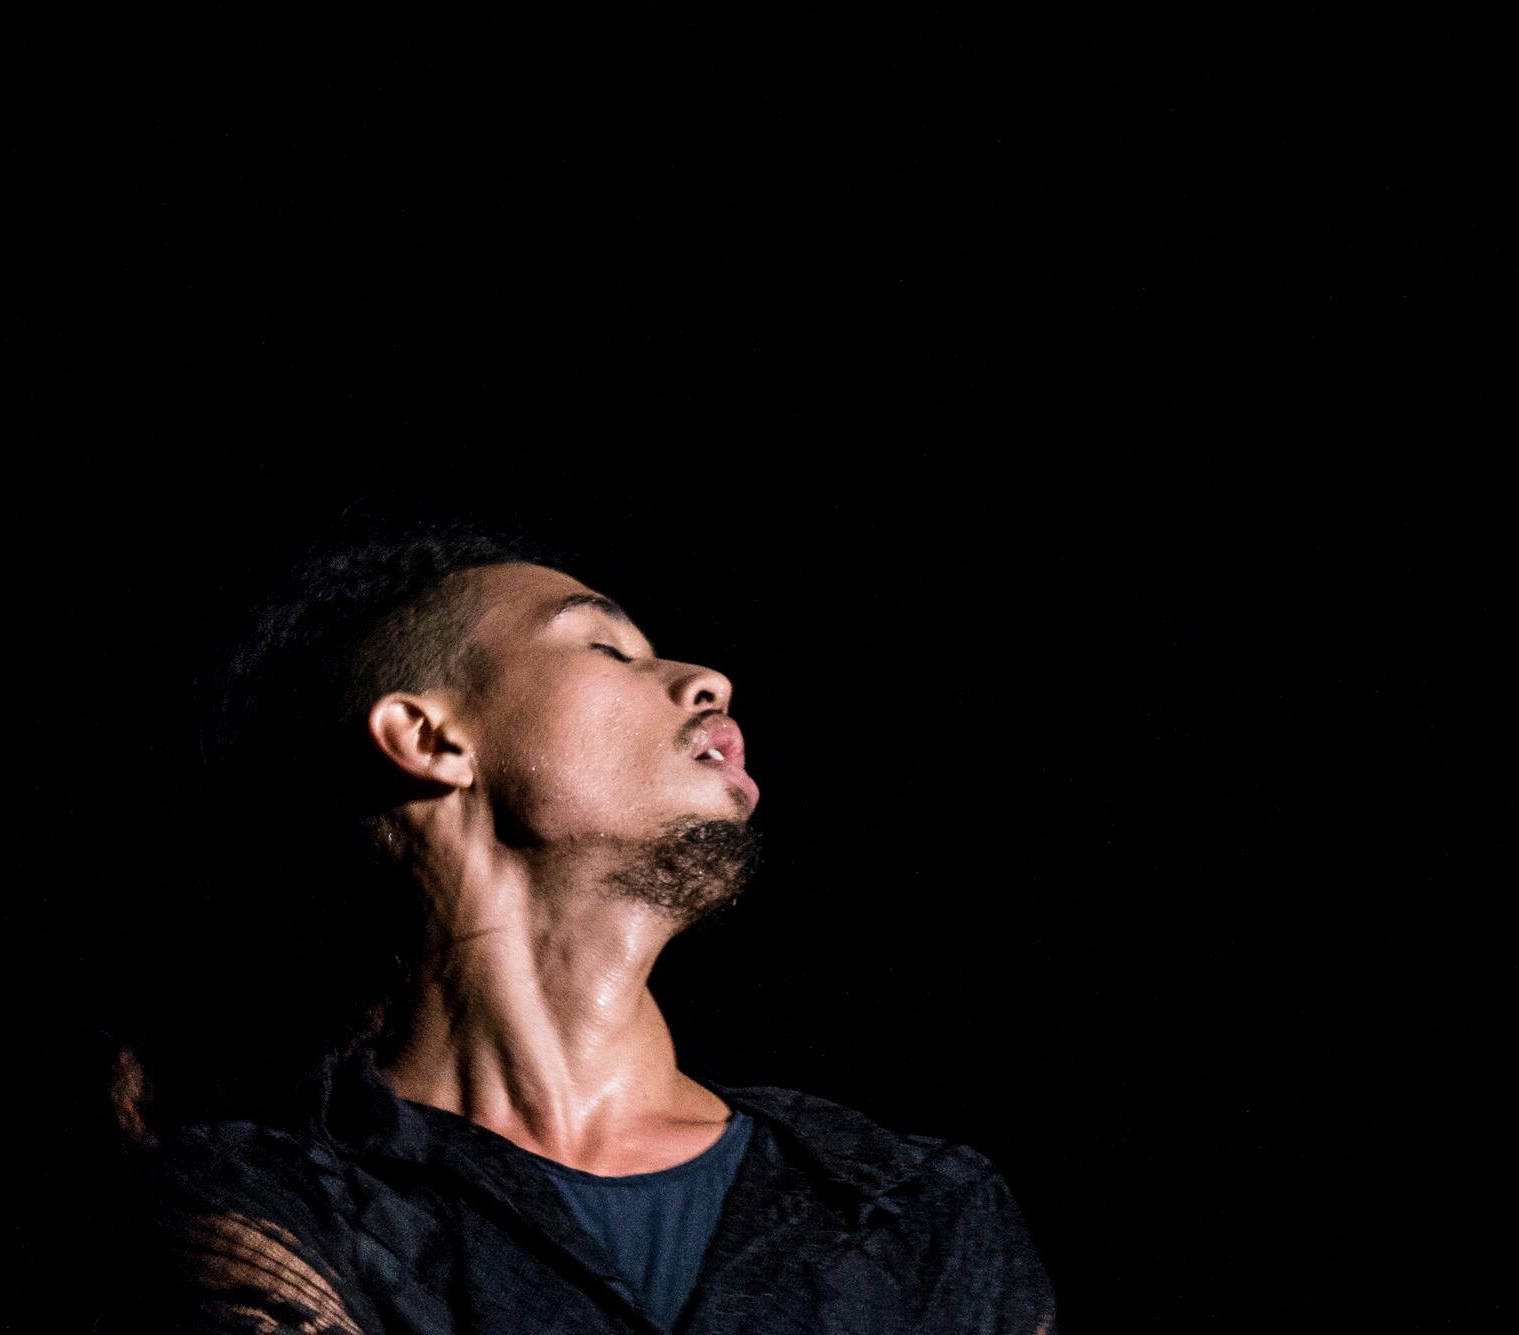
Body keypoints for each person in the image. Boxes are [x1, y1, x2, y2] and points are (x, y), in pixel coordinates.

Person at [97, 508, 1060, 1335]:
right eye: (607, 647)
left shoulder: (918, 1203)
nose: (709, 680)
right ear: (428, 737)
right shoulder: (261, 1201)